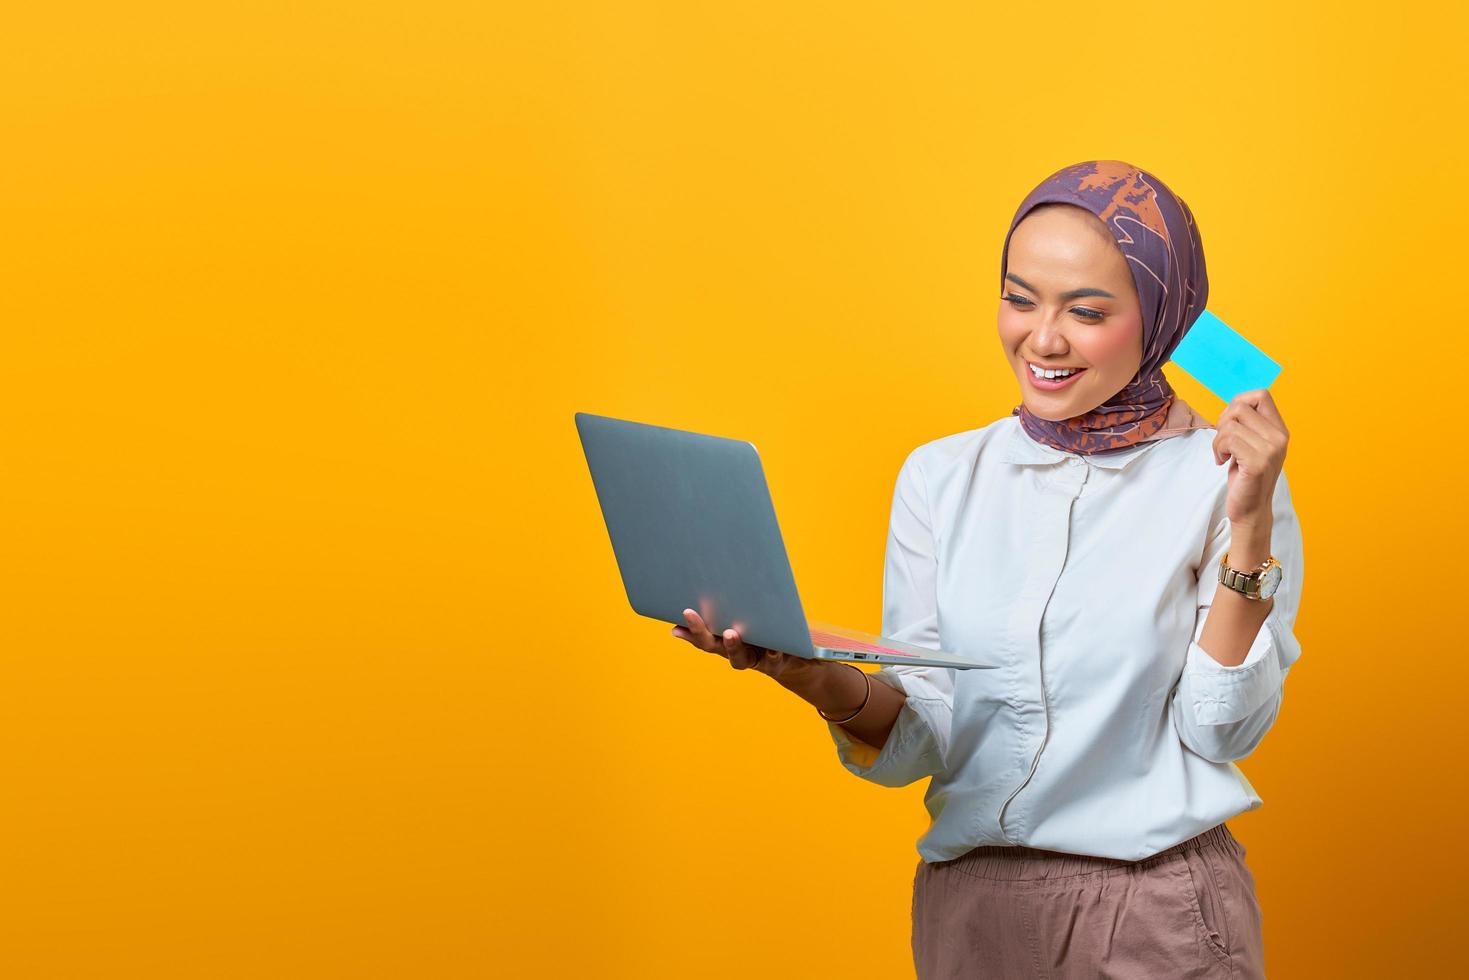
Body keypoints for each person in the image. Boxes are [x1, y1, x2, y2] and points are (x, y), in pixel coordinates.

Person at [672, 160, 1301, 978]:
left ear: (1163, 319)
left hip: (1150, 913)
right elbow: (920, 739)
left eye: (1086, 311)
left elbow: (1219, 729)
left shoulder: (1219, 478)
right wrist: (807, 674)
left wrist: (1249, 526)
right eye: (1018, 297)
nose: (1041, 339)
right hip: (968, 916)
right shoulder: (938, 477)